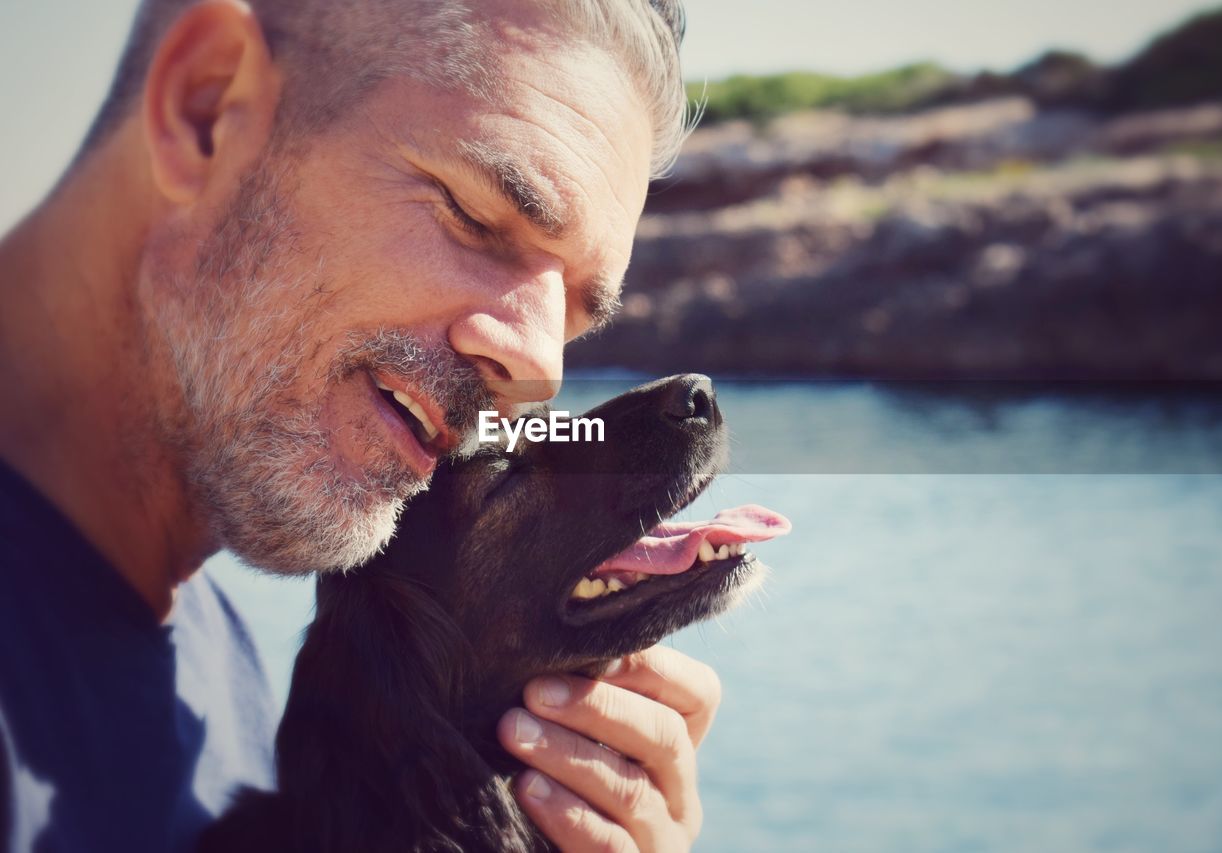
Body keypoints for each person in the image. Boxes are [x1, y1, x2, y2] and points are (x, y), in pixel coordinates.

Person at [0, 0, 721, 850]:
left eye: (569, 315)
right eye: (475, 216)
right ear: (205, 107)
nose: (535, 374)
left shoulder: (216, 670)